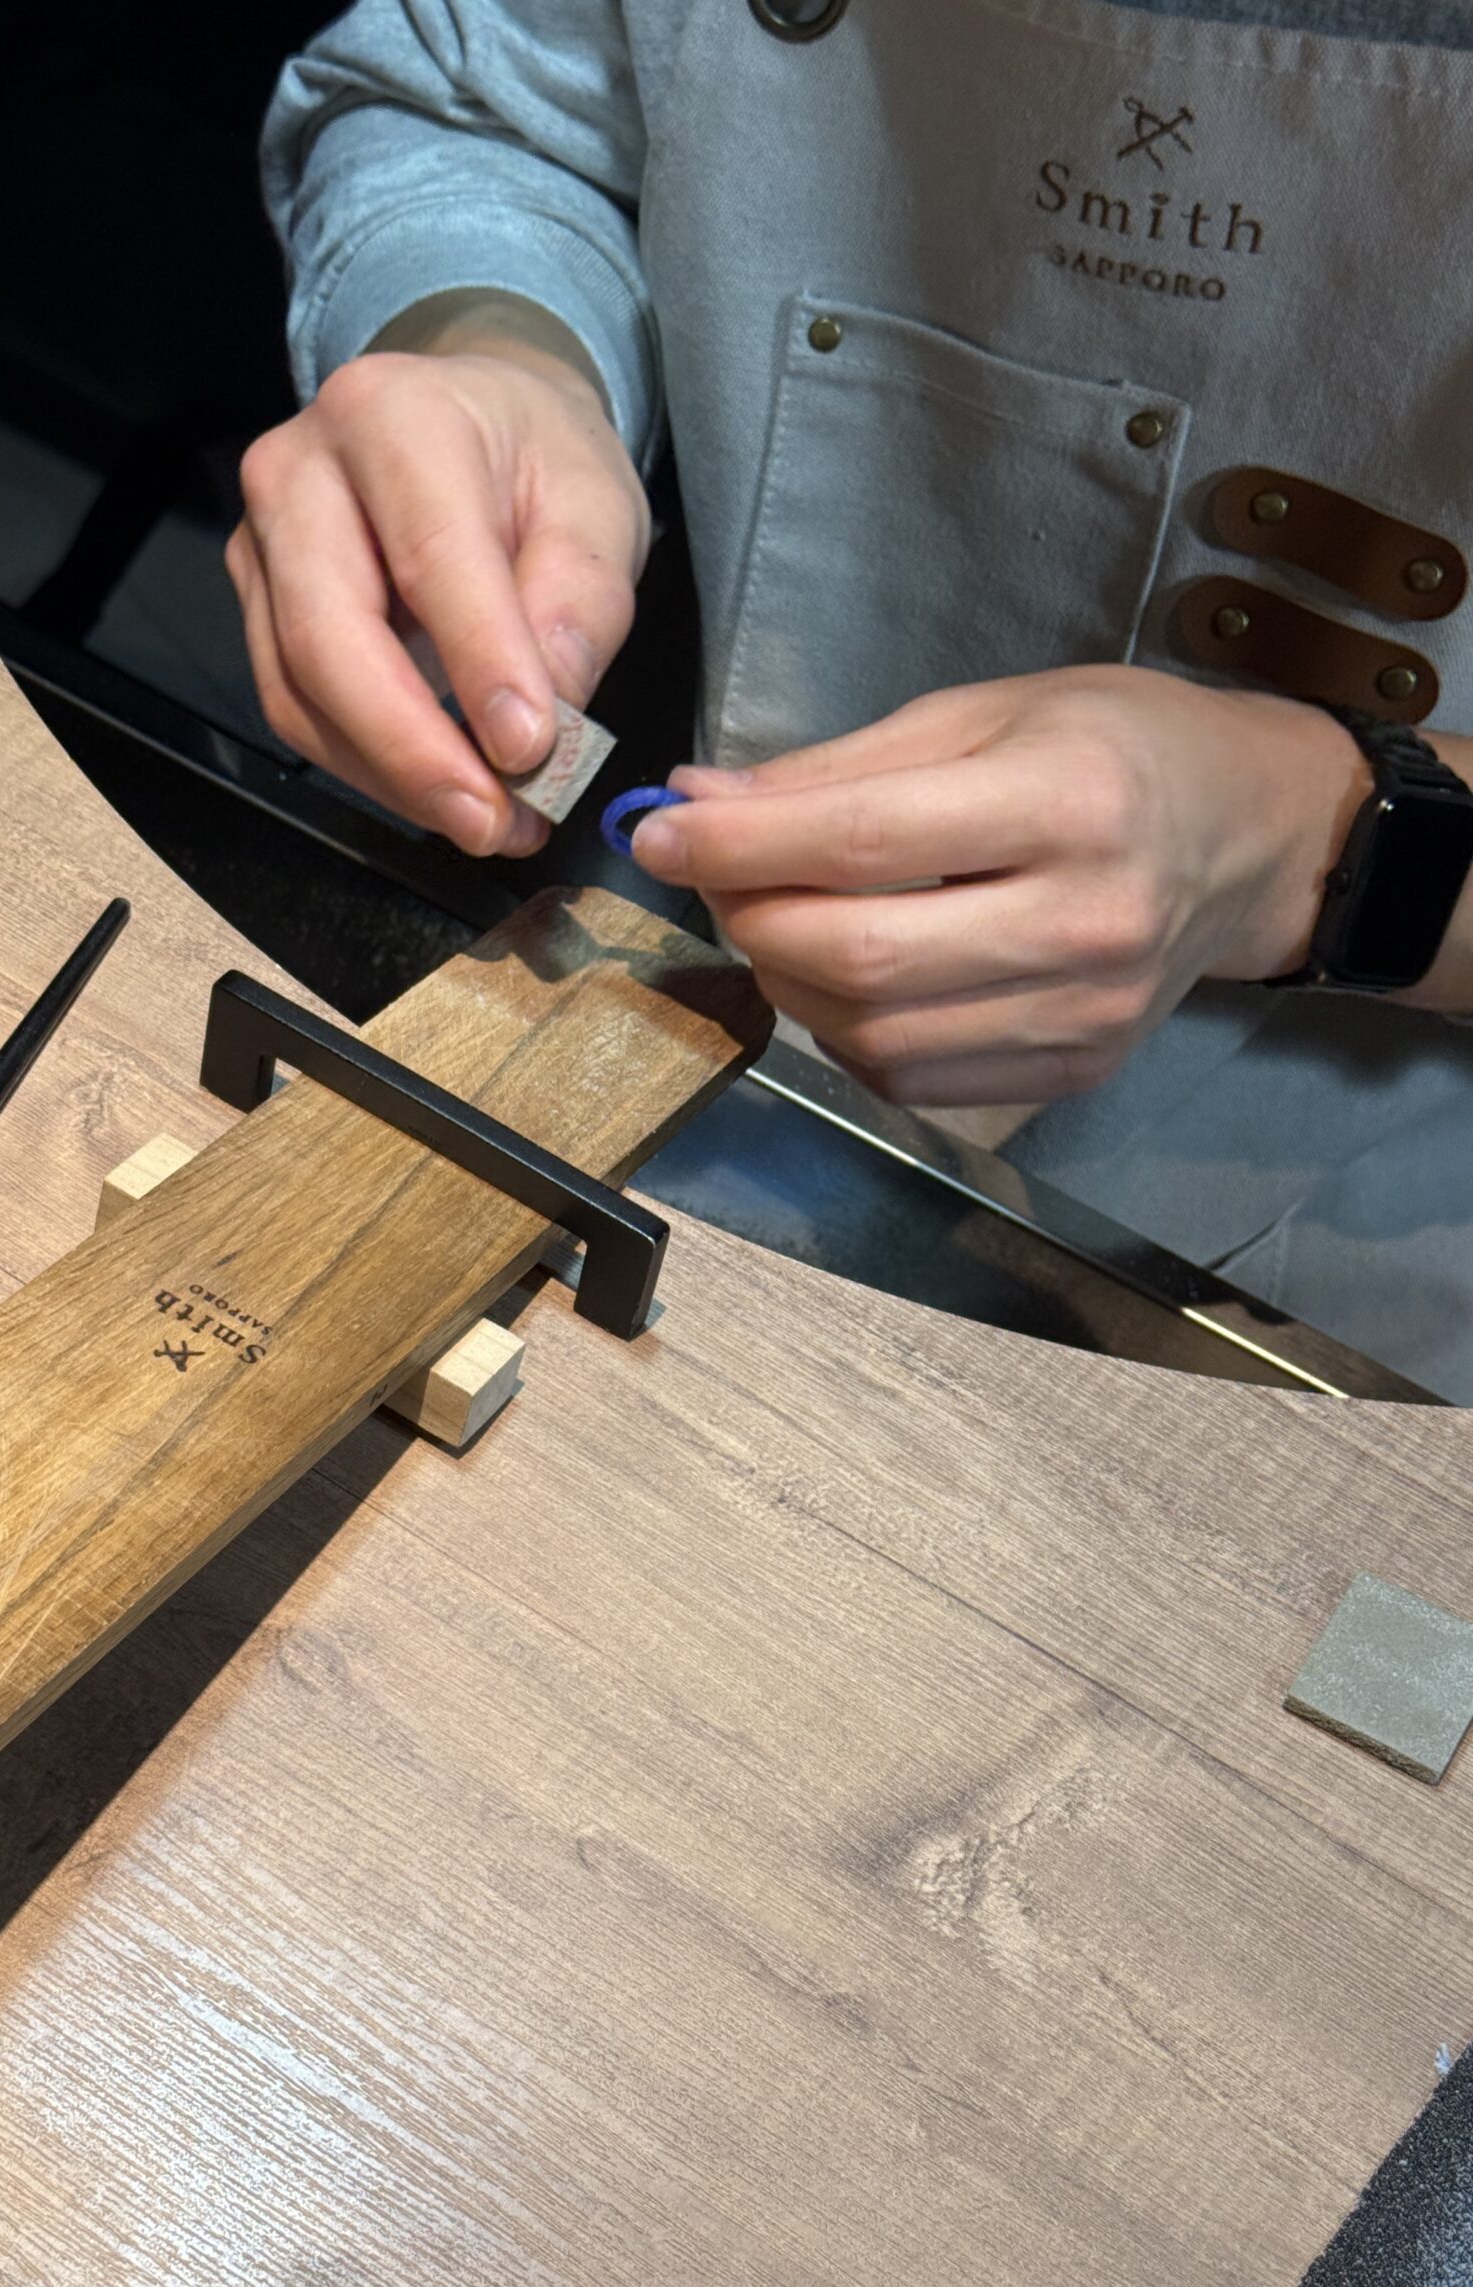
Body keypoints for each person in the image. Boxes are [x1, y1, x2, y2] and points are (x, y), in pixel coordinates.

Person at [230, 0, 1473, 1397]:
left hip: (1324, 1311)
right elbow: (476, 96)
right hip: (691, 1080)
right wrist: (495, 345)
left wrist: (1324, 838)